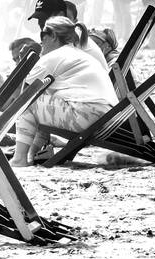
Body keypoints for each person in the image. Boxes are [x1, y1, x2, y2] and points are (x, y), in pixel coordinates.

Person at [11, 18, 117, 166]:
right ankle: (32, 153)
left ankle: (19, 159)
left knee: (28, 103)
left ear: (53, 36)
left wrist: (24, 63)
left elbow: (22, 96)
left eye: (43, 35)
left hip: (88, 116)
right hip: (108, 118)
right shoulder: (78, 54)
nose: (40, 41)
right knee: (41, 99)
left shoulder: (52, 57)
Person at [28, 0, 105, 65]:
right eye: (38, 18)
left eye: (44, 18)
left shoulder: (68, 39)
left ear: (60, 15)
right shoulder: (63, 35)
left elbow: (43, 69)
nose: (40, 23)